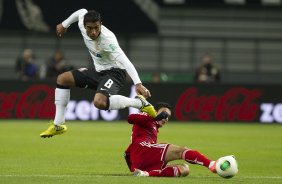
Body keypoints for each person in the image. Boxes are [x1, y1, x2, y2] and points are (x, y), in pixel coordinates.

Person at [40, 9, 156, 138]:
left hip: (115, 72)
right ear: (84, 26)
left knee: (99, 102)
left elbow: (125, 61)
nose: (94, 32)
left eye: (96, 27)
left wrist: (138, 83)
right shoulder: (82, 24)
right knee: (62, 79)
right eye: (90, 28)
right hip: (98, 71)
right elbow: (81, 12)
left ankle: (139, 103)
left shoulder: (108, 40)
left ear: (101, 24)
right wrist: (64, 24)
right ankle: (58, 125)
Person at [124, 102, 229, 177]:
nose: (165, 118)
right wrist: (154, 116)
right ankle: (211, 164)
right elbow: (130, 118)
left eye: (168, 117)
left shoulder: (153, 127)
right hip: (143, 149)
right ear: (155, 111)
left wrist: (133, 167)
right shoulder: (147, 116)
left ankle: (145, 174)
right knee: (181, 150)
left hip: (142, 160)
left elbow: (127, 153)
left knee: (184, 169)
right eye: (164, 114)